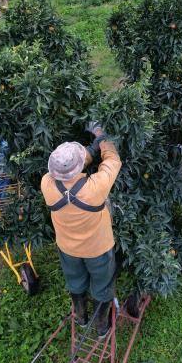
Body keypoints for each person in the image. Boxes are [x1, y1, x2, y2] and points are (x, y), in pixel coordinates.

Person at [41, 123, 121, 338]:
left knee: (75, 282)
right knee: (102, 286)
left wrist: (88, 153)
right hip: (98, 248)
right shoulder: (95, 187)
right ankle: (102, 326)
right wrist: (102, 138)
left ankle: (81, 316)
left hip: (68, 248)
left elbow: (67, 171)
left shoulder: (46, 184)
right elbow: (113, 161)